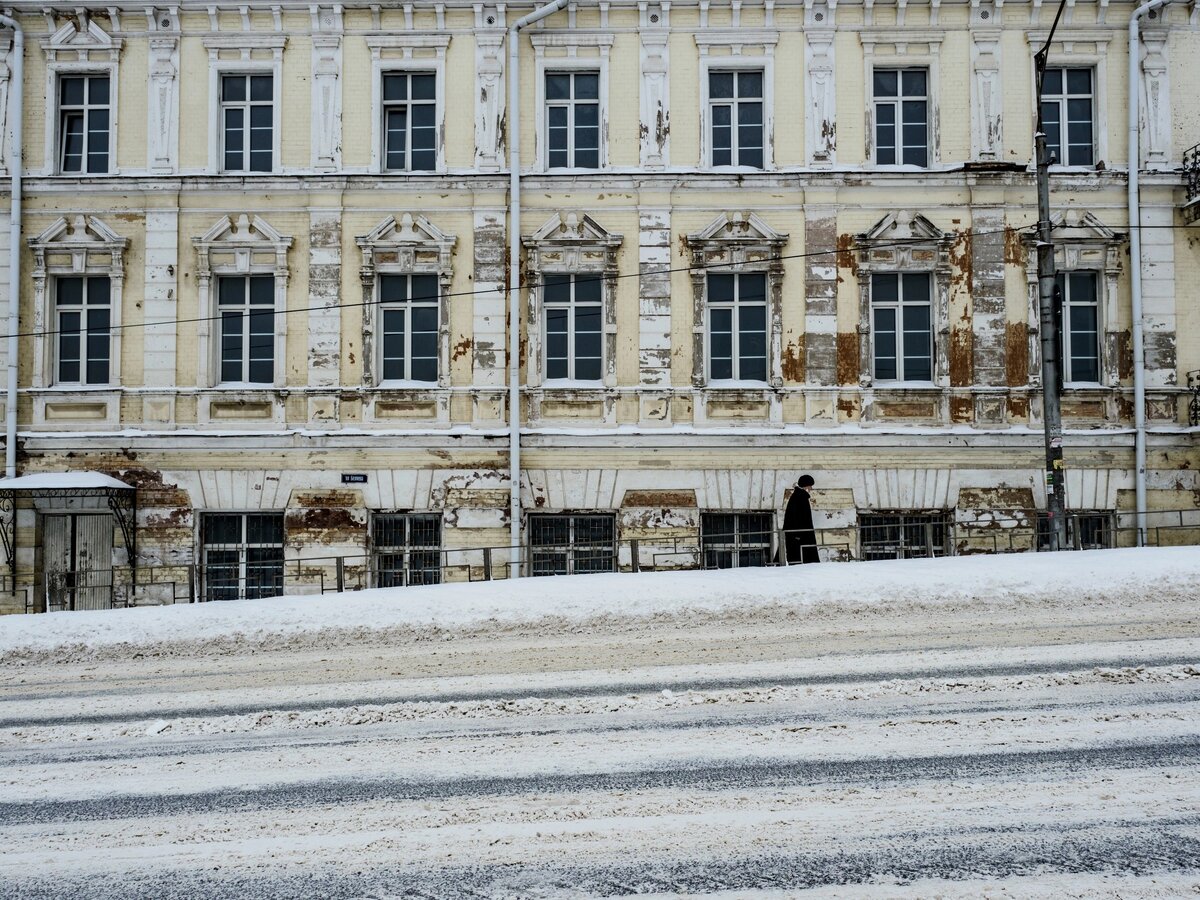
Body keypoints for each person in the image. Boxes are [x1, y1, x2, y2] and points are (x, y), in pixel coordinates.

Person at [783, 475, 820, 564]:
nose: (811, 488)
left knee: (800, 558)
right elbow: (797, 517)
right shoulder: (800, 497)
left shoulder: (799, 496)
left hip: (799, 534)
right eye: (810, 485)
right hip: (800, 535)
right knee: (802, 559)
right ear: (806, 485)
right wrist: (798, 534)